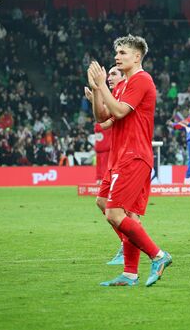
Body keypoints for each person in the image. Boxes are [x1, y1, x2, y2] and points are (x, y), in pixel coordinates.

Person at [88, 34, 172, 286]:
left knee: (114, 214)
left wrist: (103, 85)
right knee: (109, 205)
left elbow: (120, 111)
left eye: (123, 53)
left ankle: (158, 255)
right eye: (116, 53)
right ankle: (129, 273)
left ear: (137, 56)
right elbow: (102, 116)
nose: (117, 57)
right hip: (121, 156)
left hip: (134, 156)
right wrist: (96, 90)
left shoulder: (142, 80)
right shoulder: (123, 85)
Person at [85, 65, 126, 265]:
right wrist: (96, 93)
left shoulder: (128, 92)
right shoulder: (115, 95)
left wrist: (99, 92)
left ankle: (150, 255)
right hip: (114, 158)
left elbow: (113, 114)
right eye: (108, 74)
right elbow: (103, 120)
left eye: (113, 74)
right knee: (102, 201)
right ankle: (127, 245)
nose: (109, 77)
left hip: (128, 158)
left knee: (125, 211)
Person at [169, 106, 190, 184]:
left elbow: (177, 125)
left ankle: (187, 178)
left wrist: (172, 124)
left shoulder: (186, 120)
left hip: (189, 142)